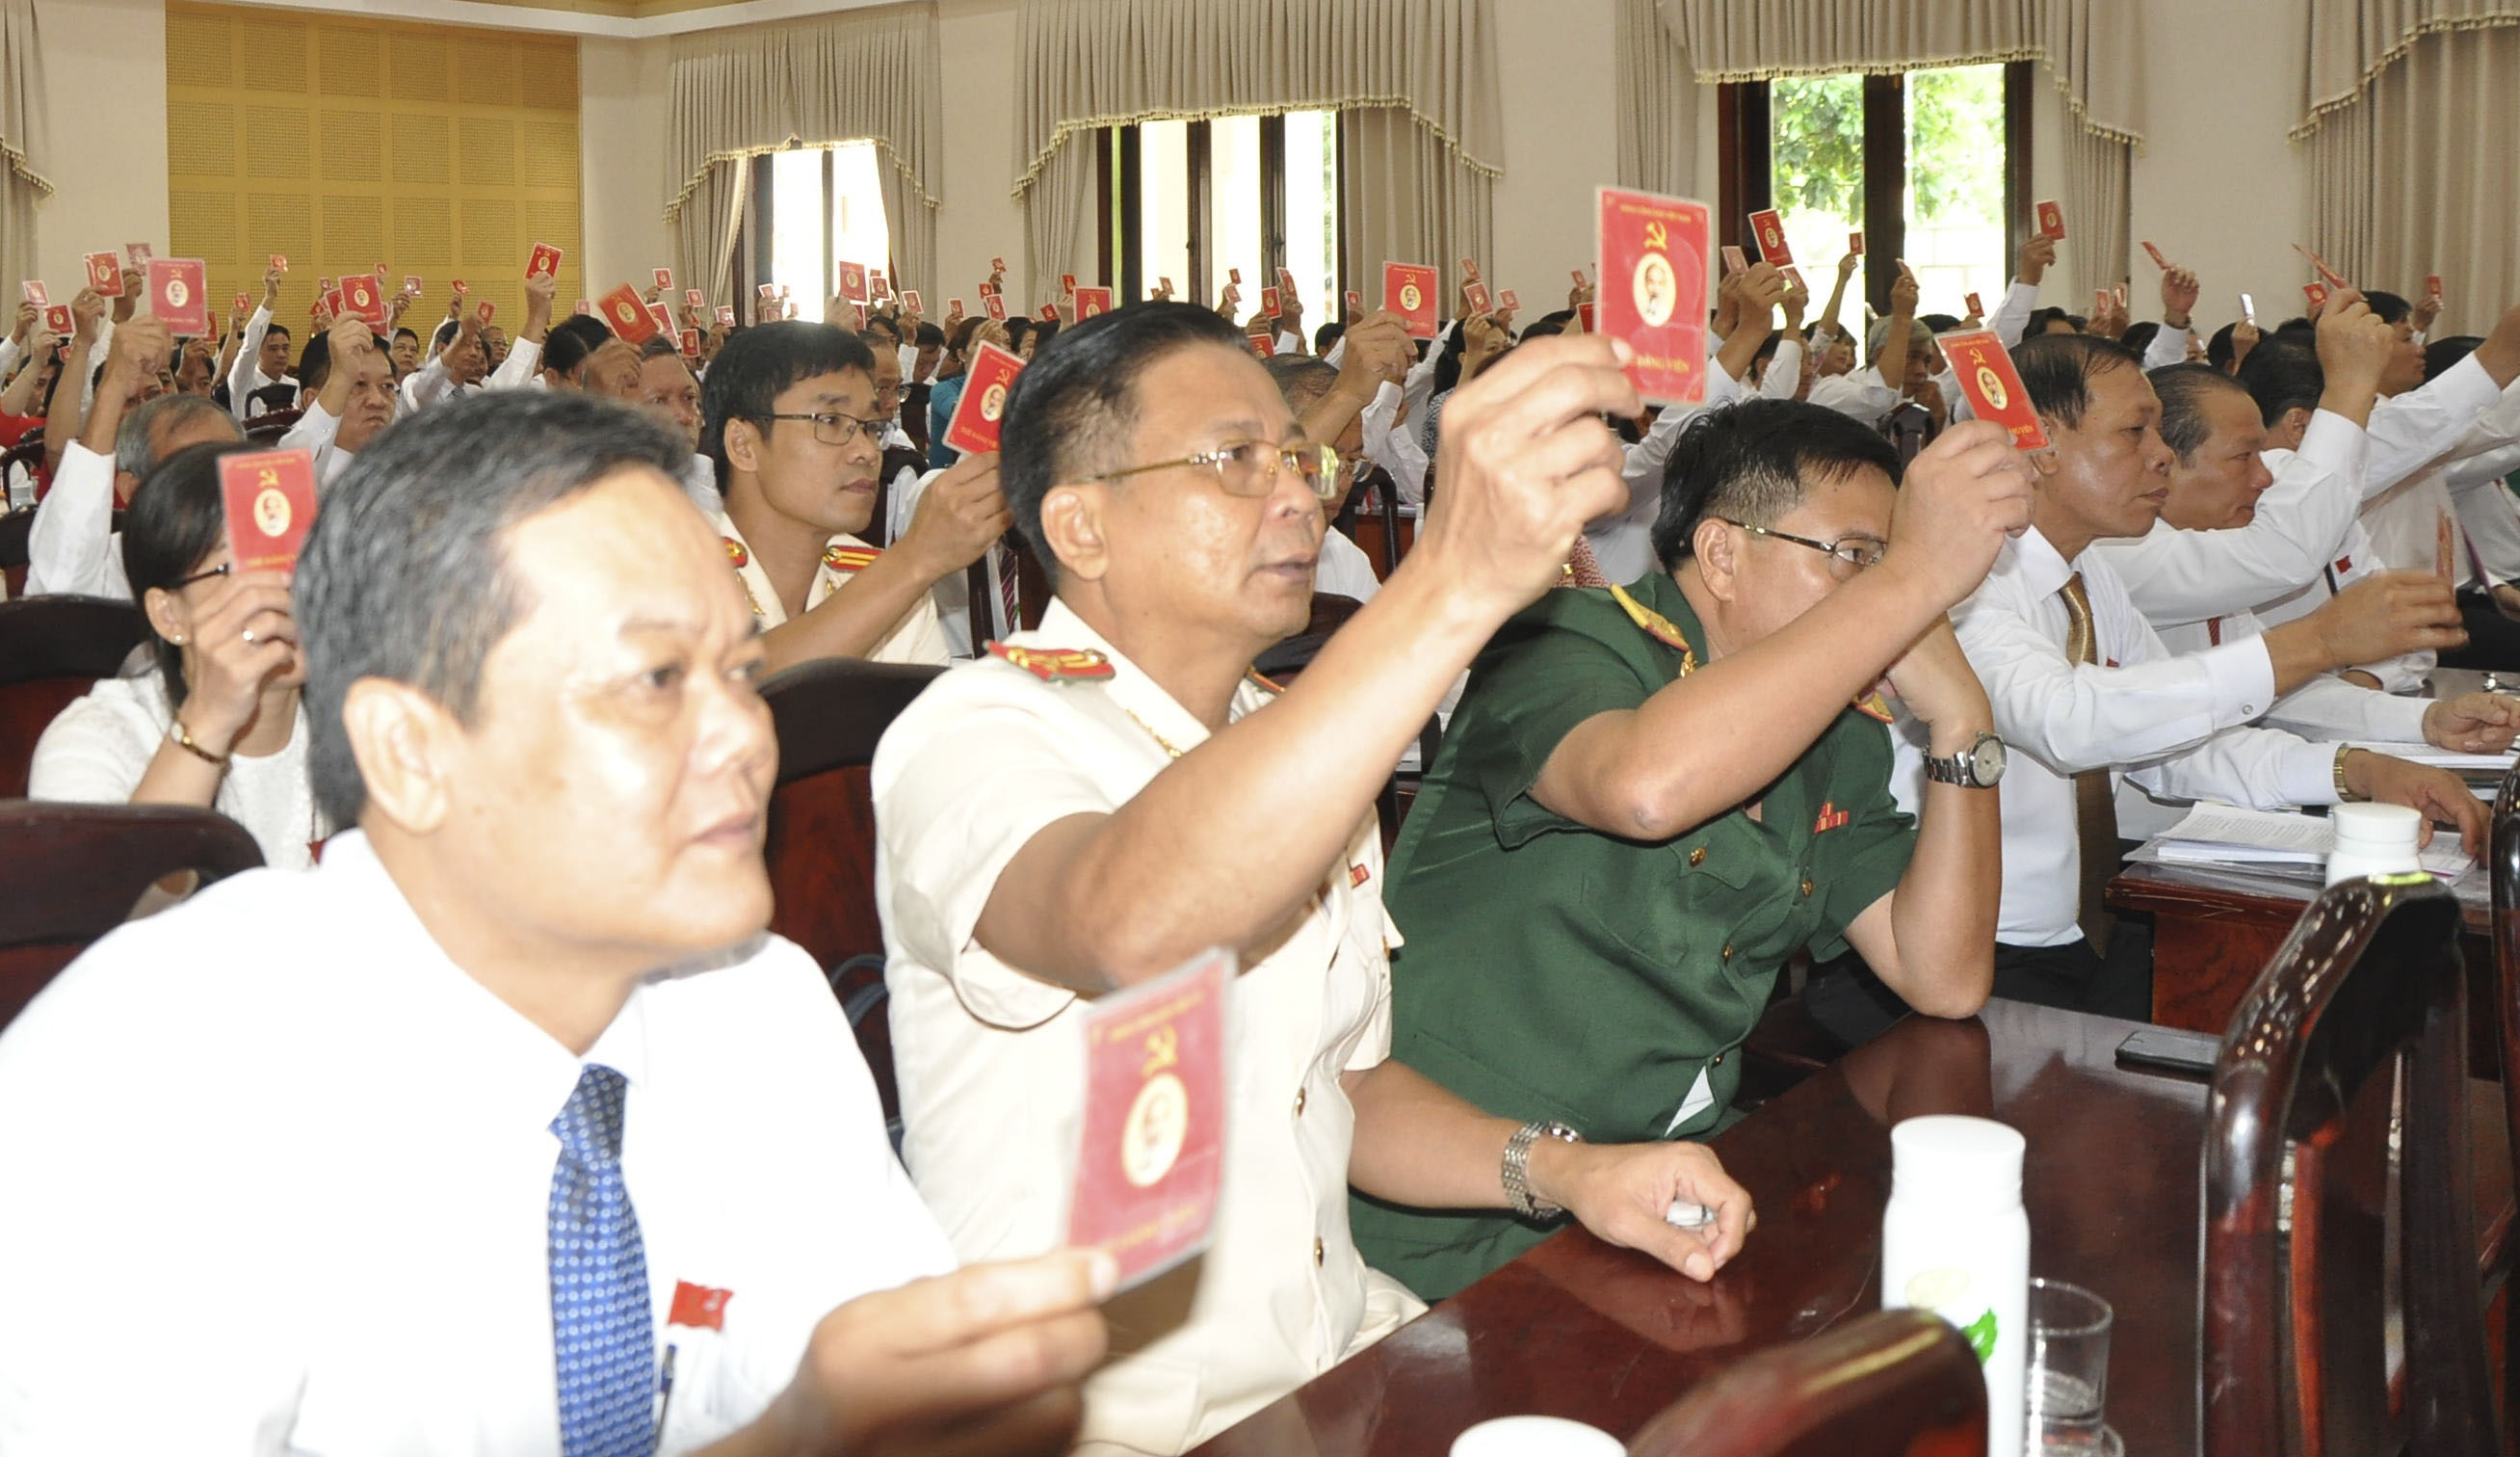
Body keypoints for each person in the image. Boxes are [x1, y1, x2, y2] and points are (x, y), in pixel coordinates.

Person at [0, 389, 1115, 1454]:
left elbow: (887, 1378)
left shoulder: (756, 998)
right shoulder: (161, 1066)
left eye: (739, 672)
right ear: (410, 748)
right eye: (656, 679)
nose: (745, 735)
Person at [874, 303, 1753, 1454]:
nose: (1295, 491)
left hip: (1336, 1364)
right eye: (1234, 459)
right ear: (1081, 525)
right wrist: (1446, 582)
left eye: (1298, 457)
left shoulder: (1292, 740)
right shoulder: (977, 731)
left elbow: (1343, 1086)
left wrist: (1567, 1173)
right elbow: (1126, 922)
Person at [1351, 401, 2027, 1300]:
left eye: (1887, 563)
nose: (1885, 595)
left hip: (1670, 1195)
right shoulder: (1565, 640)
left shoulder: (1835, 736)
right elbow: (1645, 788)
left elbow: (1943, 977)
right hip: (1453, 1209)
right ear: (1721, 554)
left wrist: (1963, 722)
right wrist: (1909, 582)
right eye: (1856, 557)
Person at [1932, 331, 2483, 1017]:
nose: (2161, 455)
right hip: (1980, 947)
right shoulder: (1963, 579)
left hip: (2085, 923)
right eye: (2135, 431)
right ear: (2040, 445)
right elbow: (2069, 721)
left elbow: (2176, 752)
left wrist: (2357, 770)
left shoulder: (2088, 573)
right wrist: (2313, 643)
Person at [30, 440, 326, 868]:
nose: (285, 585)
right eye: (236, 567)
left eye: (303, 555)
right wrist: (209, 720)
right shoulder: (99, 740)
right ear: (169, 615)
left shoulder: (371, 714)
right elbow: (114, 901)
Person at [699, 321, 1000, 670]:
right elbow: (721, 688)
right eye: (829, 421)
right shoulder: (669, 573)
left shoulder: (880, 582)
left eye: (871, 427)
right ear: (743, 444)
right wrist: (915, 558)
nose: (867, 451)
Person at [26, 315, 242, 598]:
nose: (217, 491)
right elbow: (61, 586)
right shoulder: (120, 567)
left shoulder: (274, 556)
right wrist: (114, 387)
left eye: (228, 470)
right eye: (193, 476)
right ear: (134, 489)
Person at [276, 315, 401, 488]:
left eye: (387, 386)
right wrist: (341, 377)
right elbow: (289, 469)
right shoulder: (309, 481)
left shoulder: (406, 468)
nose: (378, 401)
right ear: (312, 401)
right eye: (358, 385)